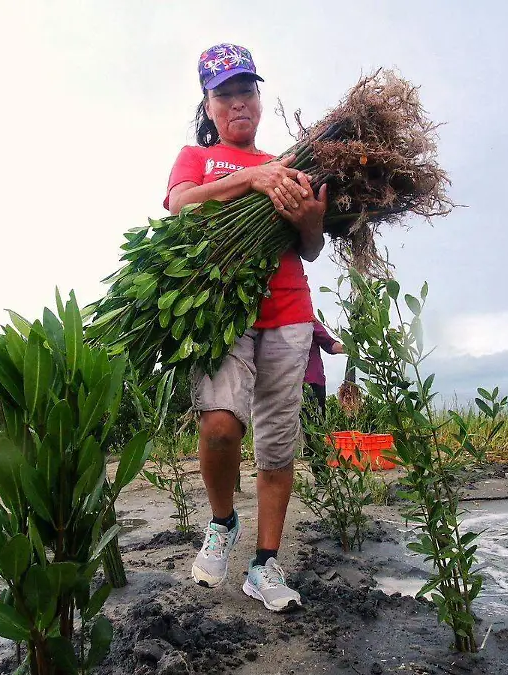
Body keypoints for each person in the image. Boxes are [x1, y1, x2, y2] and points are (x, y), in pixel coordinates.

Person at [164, 43, 327, 612]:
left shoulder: (287, 163)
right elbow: (181, 205)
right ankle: (222, 521)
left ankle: (264, 564)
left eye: (247, 91)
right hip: (224, 313)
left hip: (287, 312)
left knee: (277, 446)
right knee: (219, 427)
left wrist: (311, 224)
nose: (238, 102)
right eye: (225, 94)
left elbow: (308, 249)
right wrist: (252, 182)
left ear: (259, 99)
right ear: (208, 105)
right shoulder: (198, 158)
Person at [305, 319, 344, 418]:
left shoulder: (308, 319)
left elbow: (329, 344)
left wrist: (351, 348)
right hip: (285, 385)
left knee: (314, 427)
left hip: (312, 384)